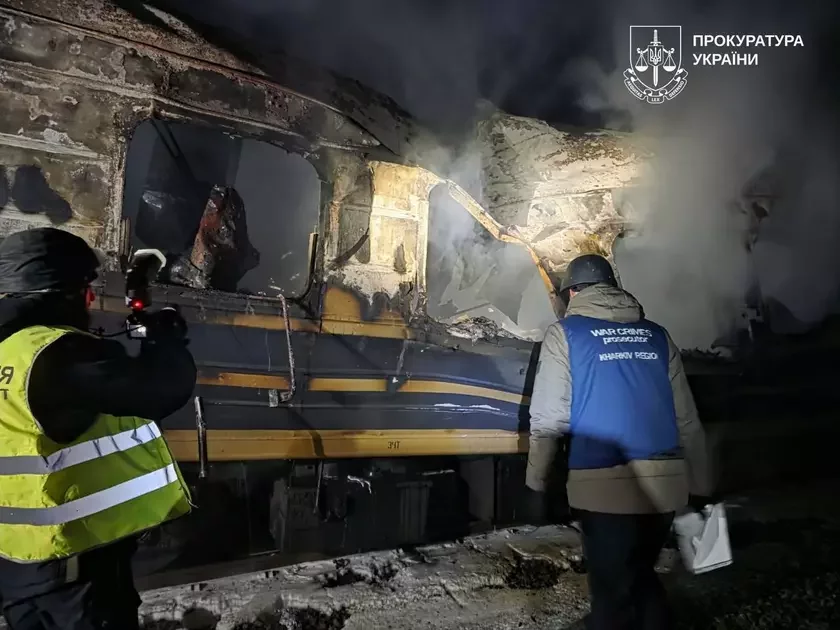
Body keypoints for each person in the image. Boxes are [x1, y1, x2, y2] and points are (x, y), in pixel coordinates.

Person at [0, 227, 197, 630]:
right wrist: (166, 339)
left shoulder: (9, 352)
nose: (90, 300)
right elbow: (162, 391)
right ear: (64, 293)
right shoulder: (58, 352)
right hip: (74, 575)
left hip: (16, 570)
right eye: (85, 289)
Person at [524, 254, 714, 630]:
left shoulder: (565, 334)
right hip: (665, 490)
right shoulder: (657, 335)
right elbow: (688, 420)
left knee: (613, 595)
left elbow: (548, 420)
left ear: (572, 292)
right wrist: (703, 485)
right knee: (640, 577)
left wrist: (536, 484)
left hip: (603, 488)